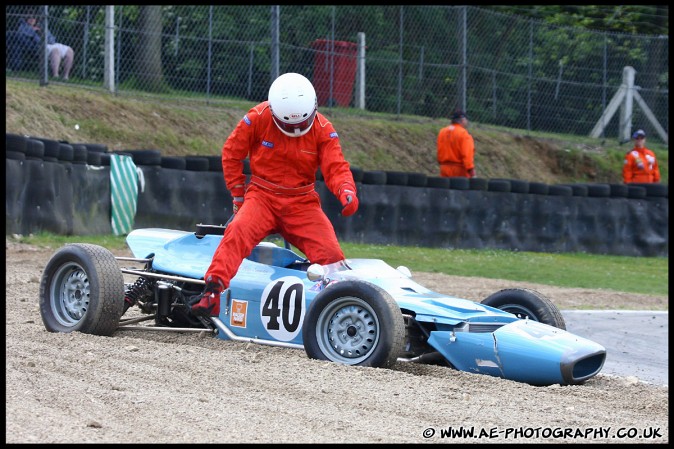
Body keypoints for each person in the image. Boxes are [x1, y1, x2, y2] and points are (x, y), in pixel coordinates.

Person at [188, 72, 359, 317]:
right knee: (236, 232)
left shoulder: (324, 129)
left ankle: (339, 306)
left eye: (302, 123)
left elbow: (336, 167)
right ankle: (212, 292)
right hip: (262, 196)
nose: (297, 129)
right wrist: (238, 195)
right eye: (290, 126)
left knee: (331, 255)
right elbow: (232, 153)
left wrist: (347, 191)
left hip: (302, 202)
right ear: (275, 113)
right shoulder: (256, 118)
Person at [18, 13, 74, 81]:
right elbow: (34, 40)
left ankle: (65, 76)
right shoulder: (23, 27)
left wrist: (42, 32)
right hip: (40, 46)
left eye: (34, 17)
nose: (32, 19)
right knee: (55, 50)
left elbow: (52, 39)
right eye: (29, 17)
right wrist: (35, 31)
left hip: (51, 43)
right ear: (26, 19)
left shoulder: (41, 26)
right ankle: (55, 75)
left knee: (69, 51)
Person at [437, 109, 476, 178]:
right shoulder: (464, 134)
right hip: (459, 169)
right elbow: (467, 153)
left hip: (444, 168)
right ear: (463, 120)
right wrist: (470, 169)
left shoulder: (442, 132)